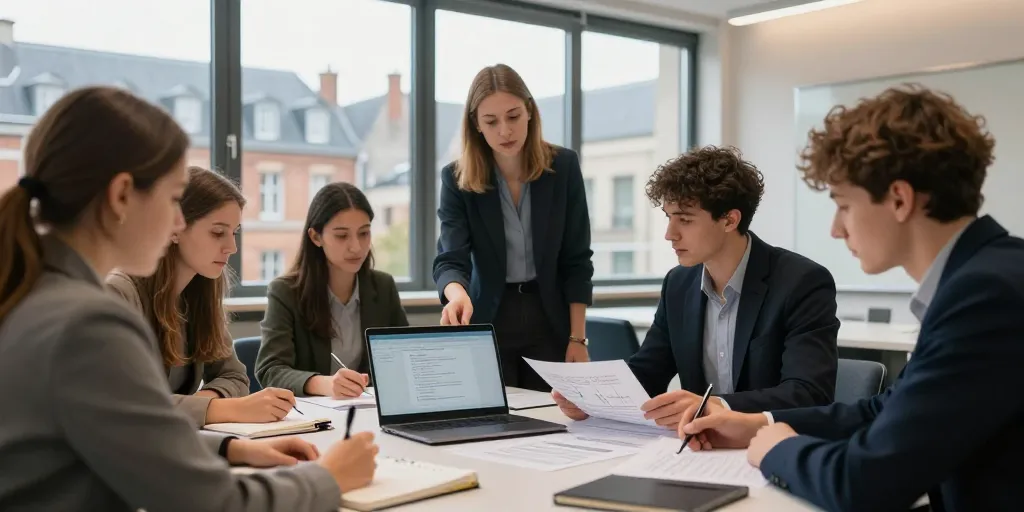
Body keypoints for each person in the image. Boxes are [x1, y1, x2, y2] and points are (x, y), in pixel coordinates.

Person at [0, 86, 377, 511]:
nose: (178, 222)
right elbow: (212, 503)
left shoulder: (39, 295)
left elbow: (119, 440)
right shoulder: (88, 322)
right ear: (122, 195)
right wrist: (327, 478)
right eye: (175, 198)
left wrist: (226, 449)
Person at [677, 85, 1024, 512]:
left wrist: (777, 451)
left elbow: (866, 482)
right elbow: (889, 409)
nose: (836, 230)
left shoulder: (986, 296)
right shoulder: (991, 275)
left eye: (843, 205)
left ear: (899, 199)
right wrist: (757, 424)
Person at [553, 145, 839, 428]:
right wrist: (591, 399)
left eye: (685, 220)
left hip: (771, 446)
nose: (670, 234)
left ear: (729, 220)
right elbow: (647, 372)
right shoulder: (678, 283)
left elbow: (808, 393)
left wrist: (715, 406)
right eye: (669, 218)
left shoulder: (801, 282)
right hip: (698, 447)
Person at [434, 63, 594, 391]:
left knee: (552, 421)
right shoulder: (456, 179)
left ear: (530, 112)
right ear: (476, 125)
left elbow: (577, 259)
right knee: (491, 422)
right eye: (491, 121)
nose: (505, 131)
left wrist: (578, 338)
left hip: (549, 317)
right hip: (488, 316)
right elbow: (450, 259)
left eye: (513, 116)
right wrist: (456, 295)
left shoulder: (563, 167)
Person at [107, 166, 295, 427]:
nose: (232, 247)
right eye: (218, 232)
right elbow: (123, 404)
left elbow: (235, 376)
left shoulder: (201, 291)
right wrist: (221, 409)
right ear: (174, 226)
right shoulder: (118, 293)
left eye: (234, 232)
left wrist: (207, 404)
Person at [256, 182, 408, 398]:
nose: (356, 247)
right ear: (316, 237)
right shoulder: (285, 292)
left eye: (364, 233)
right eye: (342, 236)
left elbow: (403, 360)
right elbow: (271, 371)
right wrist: (324, 384)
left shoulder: (383, 287)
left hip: (368, 412)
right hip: (313, 417)